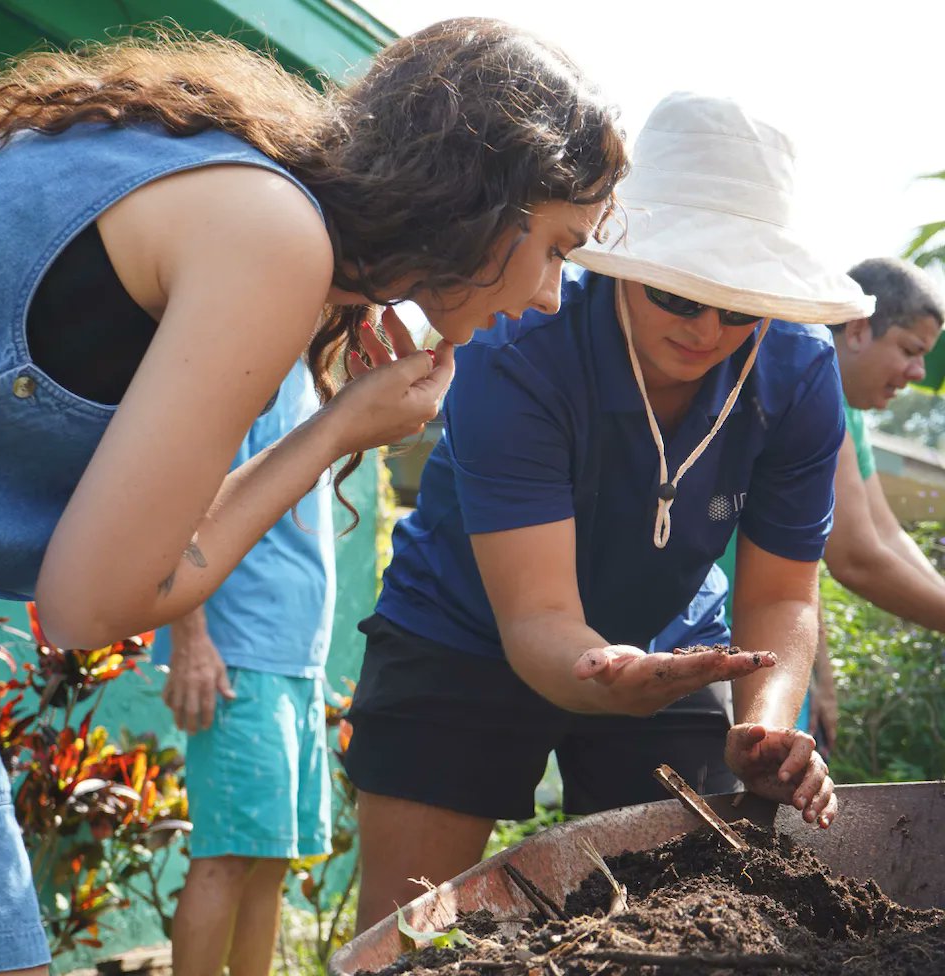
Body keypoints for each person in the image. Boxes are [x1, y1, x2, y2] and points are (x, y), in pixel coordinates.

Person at [0, 19, 625, 974]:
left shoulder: (244, 189)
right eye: (558, 245)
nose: (553, 297)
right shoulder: (271, 233)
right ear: (482, 200)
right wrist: (334, 432)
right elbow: (87, 605)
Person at [342, 91, 876, 932]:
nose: (707, 328)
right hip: (463, 634)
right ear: (624, 262)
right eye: (676, 295)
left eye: (740, 308)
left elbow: (780, 592)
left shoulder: (801, 374)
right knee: (412, 930)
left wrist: (766, 729)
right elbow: (539, 618)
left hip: (673, 648)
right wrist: (602, 671)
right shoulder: (519, 343)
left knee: (684, 919)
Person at [704, 257, 945, 752]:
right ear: (857, 329)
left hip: (774, 650)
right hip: (715, 646)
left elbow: (884, 534)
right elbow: (856, 554)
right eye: (909, 349)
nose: (918, 372)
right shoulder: (805, 378)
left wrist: (822, 678)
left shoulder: (848, 415)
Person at [152, 360, 335, 976]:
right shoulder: (259, 357)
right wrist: (191, 636)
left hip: (291, 659)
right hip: (236, 652)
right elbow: (182, 493)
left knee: (268, 858)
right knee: (227, 855)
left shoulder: (305, 371)